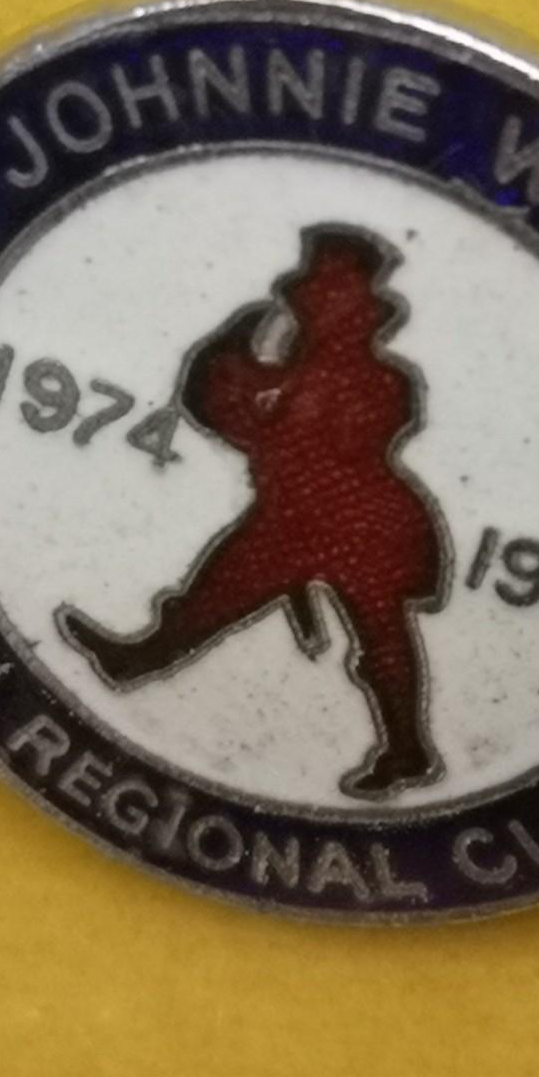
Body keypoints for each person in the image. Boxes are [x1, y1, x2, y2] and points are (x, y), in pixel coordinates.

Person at [56, 225, 449, 799]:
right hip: (295, 519)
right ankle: (135, 660)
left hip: (362, 523)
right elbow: (222, 410)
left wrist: (253, 386)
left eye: (317, 295)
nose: (302, 303)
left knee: (382, 638)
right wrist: (233, 358)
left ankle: (407, 749)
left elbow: (282, 432)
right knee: (213, 594)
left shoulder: (381, 381)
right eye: (306, 294)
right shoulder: (287, 376)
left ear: (355, 310)